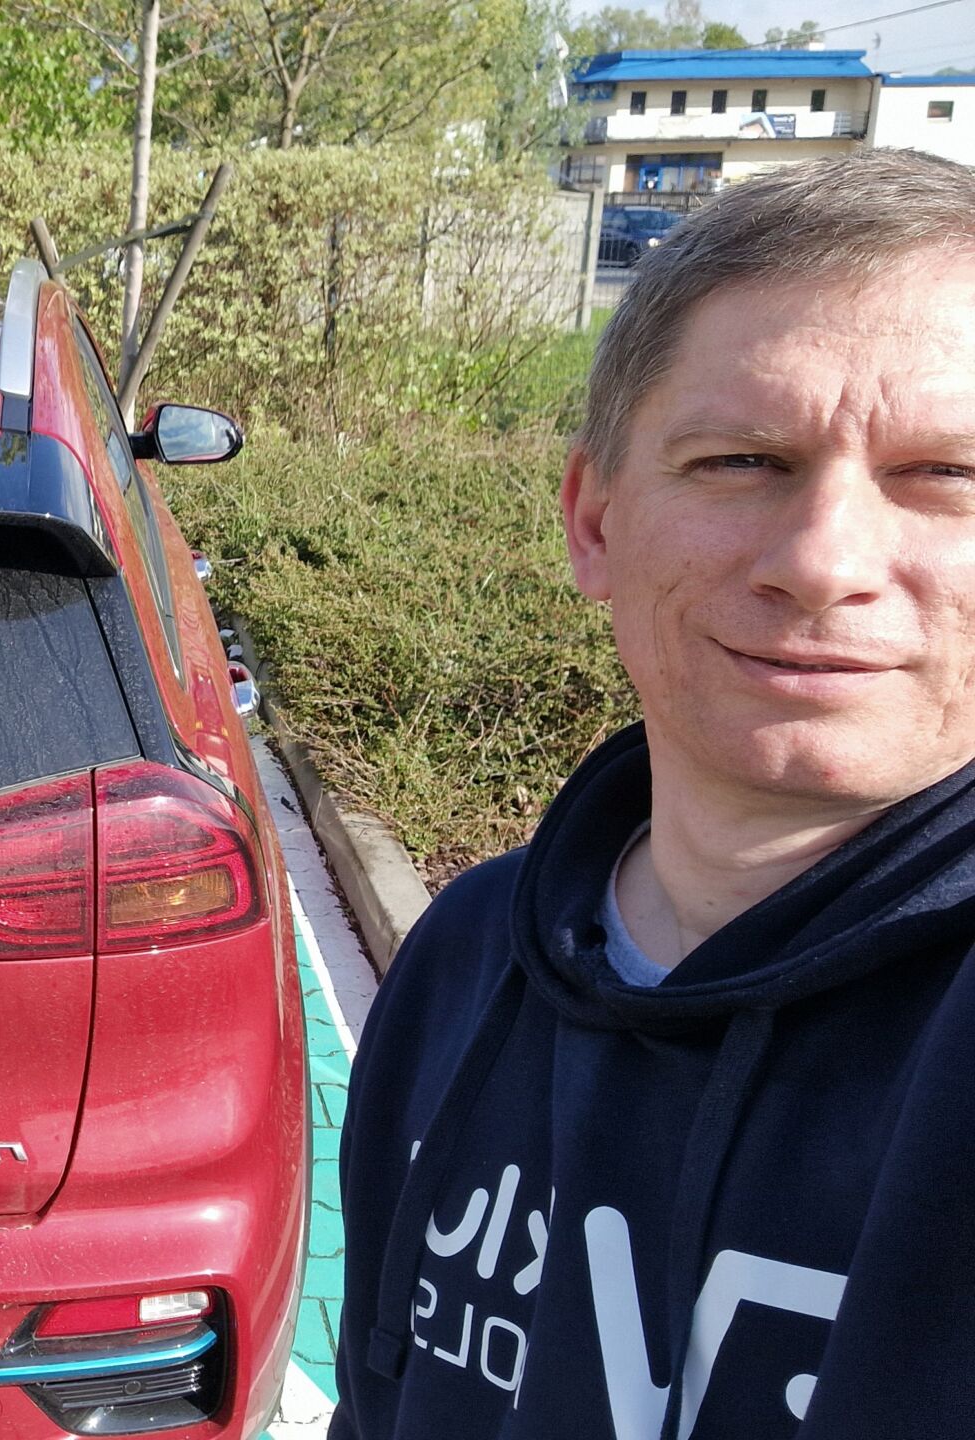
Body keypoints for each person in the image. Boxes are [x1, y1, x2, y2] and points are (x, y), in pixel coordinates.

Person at [332, 148, 975, 1439]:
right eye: (742, 461)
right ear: (593, 523)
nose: (822, 562)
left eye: (947, 476)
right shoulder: (464, 957)